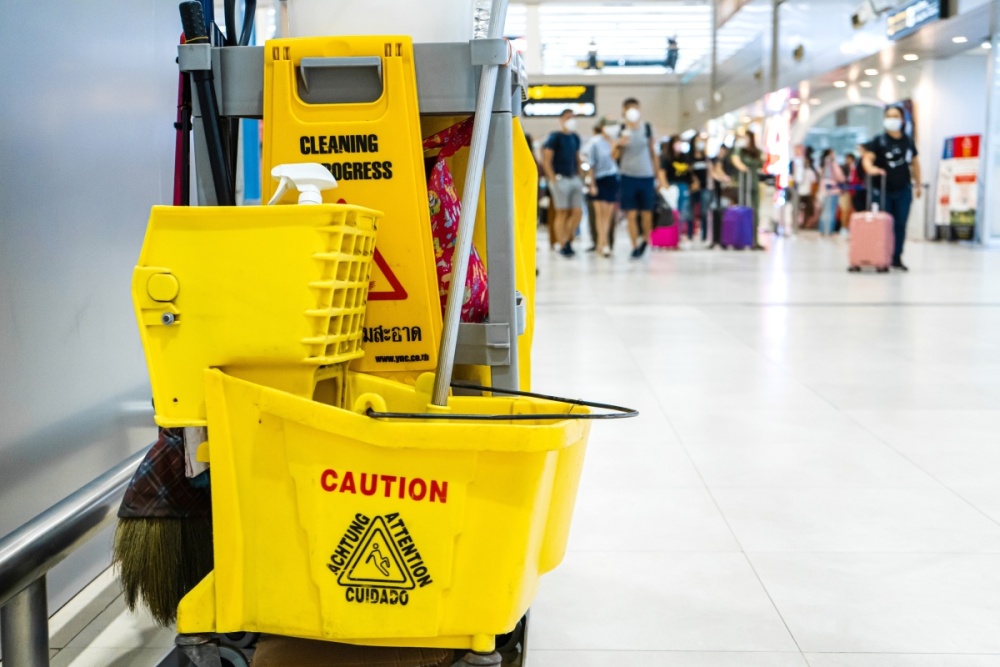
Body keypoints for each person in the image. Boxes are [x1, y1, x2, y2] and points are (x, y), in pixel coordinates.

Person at [863, 106, 922, 271]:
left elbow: (915, 163)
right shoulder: (879, 141)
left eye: (896, 116)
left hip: (903, 189)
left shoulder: (908, 141)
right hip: (883, 191)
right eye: (889, 116)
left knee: (900, 225)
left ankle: (897, 257)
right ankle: (882, 257)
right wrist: (870, 168)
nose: (892, 119)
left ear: (902, 120)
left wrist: (918, 184)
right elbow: (868, 158)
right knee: (883, 225)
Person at [614, 98, 668, 259]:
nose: (632, 111)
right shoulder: (621, 130)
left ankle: (646, 239)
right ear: (624, 111)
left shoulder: (647, 128)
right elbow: (615, 156)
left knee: (647, 213)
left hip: (646, 176)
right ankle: (634, 245)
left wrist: (658, 177)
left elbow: (653, 154)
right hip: (627, 176)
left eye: (635, 108)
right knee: (631, 214)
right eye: (629, 108)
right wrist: (620, 144)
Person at [542, 109, 584, 257]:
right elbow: (546, 160)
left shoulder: (575, 138)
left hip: (574, 178)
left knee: (577, 212)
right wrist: (553, 178)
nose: (571, 120)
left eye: (573, 117)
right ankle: (561, 244)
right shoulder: (555, 137)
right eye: (568, 117)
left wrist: (581, 176)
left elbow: (578, 158)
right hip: (560, 179)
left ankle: (567, 240)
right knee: (562, 212)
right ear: (562, 120)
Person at [584, 119, 620, 257]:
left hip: (612, 178)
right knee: (600, 214)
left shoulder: (613, 142)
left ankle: (603, 243)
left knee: (608, 215)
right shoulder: (594, 143)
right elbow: (591, 165)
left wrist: (616, 146)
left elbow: (614, 158)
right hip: (599, 179)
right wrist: (592, 184)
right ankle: (602, 242)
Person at [730, 131, 765, 250]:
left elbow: (761, 163)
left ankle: (754, 240)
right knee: (743, 211)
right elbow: (736, 161)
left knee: (755, 212)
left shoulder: (757, 152)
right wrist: (743, 167)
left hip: (754, 184)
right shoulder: (739, 151)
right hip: (744, 185)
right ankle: (742, 238)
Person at [660, 135, 693, 238]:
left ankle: (678, 234)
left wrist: (692, 183)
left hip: (683, 185)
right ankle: (671, 234)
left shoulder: (685, 157)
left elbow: (689, 171)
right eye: (676, 142)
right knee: (672, 211)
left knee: (683, 211)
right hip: (672, 185)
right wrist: (666, 187)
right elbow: (662, 173)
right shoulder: (666, 158)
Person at [817, 148, 845, 236]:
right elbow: (840, 177)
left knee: (824, 210)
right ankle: (828, 230)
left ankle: (822, 229)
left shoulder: (821, 165)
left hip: (823, 190)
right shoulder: (833, 164)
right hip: (833, 190)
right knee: (831, 211)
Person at [689, 137, 711, 243]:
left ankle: (704, 235)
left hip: (704, 187)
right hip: (693, 188)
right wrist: (694, 181)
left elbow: (710, 172)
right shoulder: (690, 158)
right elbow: (689, 171)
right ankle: (690, 234)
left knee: (704, 212)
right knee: (691, 211)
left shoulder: (706, 158)